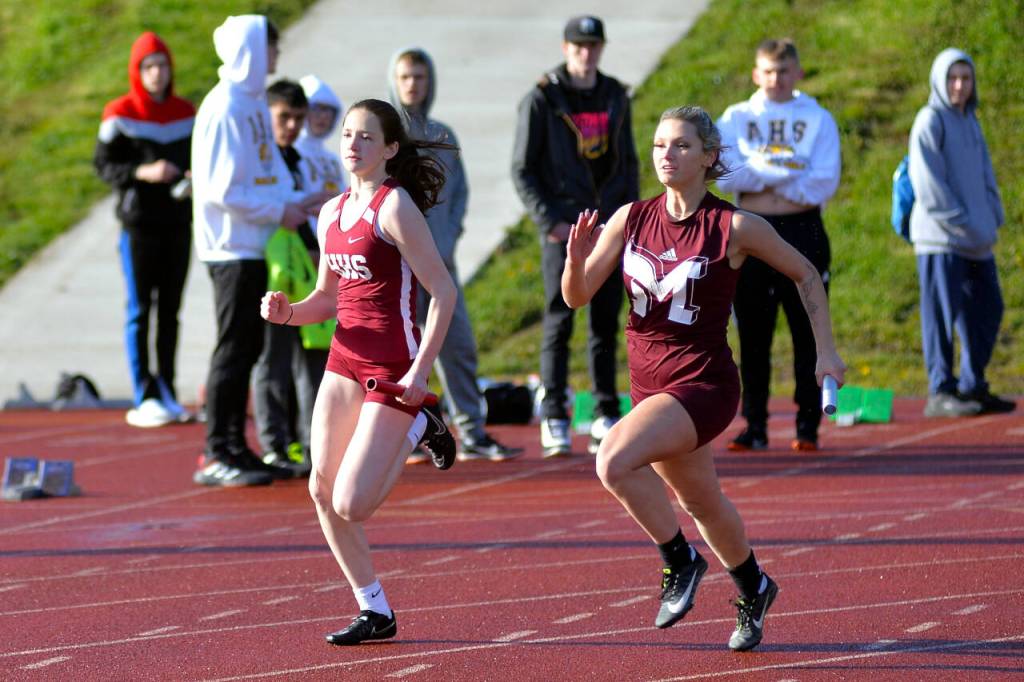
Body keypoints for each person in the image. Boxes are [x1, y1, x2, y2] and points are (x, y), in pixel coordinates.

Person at [564, 105, 844, 651]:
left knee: (612, 459)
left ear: (710, 156)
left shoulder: (735, 226)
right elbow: (575, 297)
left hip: (703, 384)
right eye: (659, 145)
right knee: (702, 502)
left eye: (682, 146)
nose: (666, 155)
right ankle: (754, 586)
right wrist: (574, 262)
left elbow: (805, 272)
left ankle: (680, 559)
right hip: (649, 385)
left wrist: (826, 353)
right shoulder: (630, 218)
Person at [261, 99, 458, 645]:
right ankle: (375, 610)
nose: (353, 144)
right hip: (345, 358)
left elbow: (443, 293)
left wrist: (421, 373)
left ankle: (422, 420)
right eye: (348, 134)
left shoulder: (395, 209)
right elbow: (326, 298)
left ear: (390, 150)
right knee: (321, 491)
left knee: (353, 502)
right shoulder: (330, 212)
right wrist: (288, 313)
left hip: (395, 365)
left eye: (366, 136)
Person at [191, 15, 325, 486]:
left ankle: (235, 444)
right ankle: (216, 451)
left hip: (255, 244)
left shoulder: (248, 103)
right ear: (251, 50)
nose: (275, 58)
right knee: (234, 348)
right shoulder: (226, 106)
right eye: (271, 49)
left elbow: (262, 176)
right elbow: (220, 190)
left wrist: (294, 202)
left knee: (247, 349)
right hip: (231, 247)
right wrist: (279, 211)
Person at [512, 15, 639, 457]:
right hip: (564, 230)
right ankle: (555, 415)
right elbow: (523, 169)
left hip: (608, 228)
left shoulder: (616, 96)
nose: (586, 53)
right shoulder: (543, 99)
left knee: (605, 323)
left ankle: (604, 411)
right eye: (578, 46)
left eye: (593, 45)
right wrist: (551, 223)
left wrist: (629, 219)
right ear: (566, 48)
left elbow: (628, 164)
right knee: (558, 320)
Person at [389, 46, 521, 462]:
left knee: (457, 344)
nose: (413, 84)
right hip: (399, 269)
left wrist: (445, 241)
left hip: (441, 263)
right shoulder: (386, 136)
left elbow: (458, 195)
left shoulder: (444, 135)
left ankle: (473, 432)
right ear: (394, 81)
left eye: (420, 77)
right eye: (405, 76)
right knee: (404, 350)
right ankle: (404, 434)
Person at [716, 38, 841, 452]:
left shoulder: (818, 118)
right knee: (753, 335)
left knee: (807, 328)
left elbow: (824, 181)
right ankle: (755, 425)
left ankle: (809, 426)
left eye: (784, 70)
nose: (776, 79)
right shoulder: (736, 117)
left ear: (798, 72)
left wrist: (759, 172)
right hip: (750, 227)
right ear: (755, 74)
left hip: (803, 228)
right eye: (768, 71)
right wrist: (784, 172)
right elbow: (724, 176)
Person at [94, 31, 195, 428]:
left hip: (177, 224)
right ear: (137, 72)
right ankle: (144, 393)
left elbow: (199, 160)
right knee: (140, 310)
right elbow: (103, 166)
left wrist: (190, 175)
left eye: (162, 65)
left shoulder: (186, 111)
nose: (157, 73)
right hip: (137, 226)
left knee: (170, 312)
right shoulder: (118, 113)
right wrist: (143, 171)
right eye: (148, 66)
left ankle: (167, 389)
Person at [909, 48, 1013, 417]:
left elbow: (985, 174)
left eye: (966, 78)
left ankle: (972, 385)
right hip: (941, 239)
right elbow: (929, 184)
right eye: (952, 78)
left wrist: (992, 215)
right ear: (939, 79)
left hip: (977, 240)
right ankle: (940, 391)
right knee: (940, 315)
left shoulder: (971, 120)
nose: (959, 85)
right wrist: (964, 220)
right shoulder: (929, 120)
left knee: (988, 309)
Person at [251, 79, 331, 478]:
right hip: (268, 271)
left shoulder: (296, 160)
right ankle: (272, 444)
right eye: (284, 117)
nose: (293, 127)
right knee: (273, 359)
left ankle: (306, 442)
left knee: (310, 358)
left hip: (301, 269)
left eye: (299, 119)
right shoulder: (259, 160)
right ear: (267, 117)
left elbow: (300, 215)